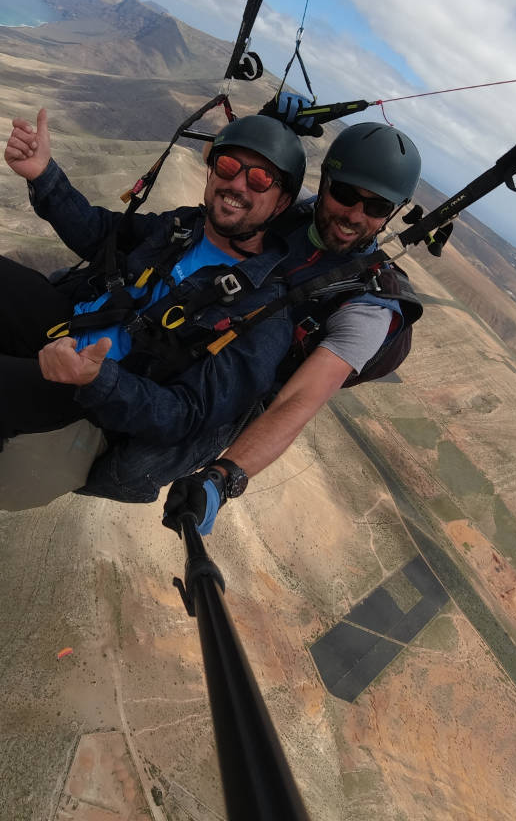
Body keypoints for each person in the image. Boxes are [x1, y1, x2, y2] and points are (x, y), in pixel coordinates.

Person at [0, 109, 309, 607]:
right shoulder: (184, 227)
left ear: (282, 199)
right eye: (227, 167)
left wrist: (98, 380)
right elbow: (100, 235)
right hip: (69, 324)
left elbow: (187, 415)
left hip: (99, 392)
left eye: (259, 177)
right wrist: (44, 175)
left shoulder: (263, 313)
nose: (237, 184)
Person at [163, 121, 422, 535]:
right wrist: (271, 125)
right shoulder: (292, 212)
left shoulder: (370, 306)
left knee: (128, 467)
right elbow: (233, 173)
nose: (354, 216)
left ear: (391, 212)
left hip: (241, 392)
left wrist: (223, 478)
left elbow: (298, 401)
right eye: (345, 195)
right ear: (325, 182)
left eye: (375, 208)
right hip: (191, 327)